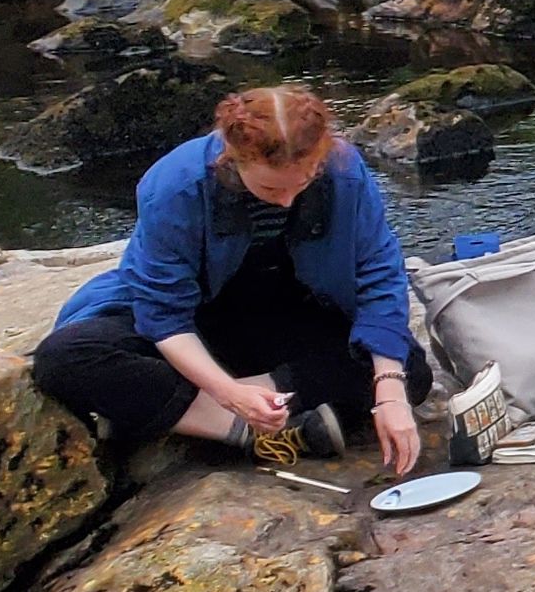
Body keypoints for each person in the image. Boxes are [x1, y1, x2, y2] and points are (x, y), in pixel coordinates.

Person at [32, 85, 428, 475]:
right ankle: (250, 429)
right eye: (271, 187)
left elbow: (379, 273)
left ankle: (171, 409)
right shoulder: (177, 183)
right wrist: (229, 395)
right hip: (197, 322)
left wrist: (390, 390)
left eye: (303, 182)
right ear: (234, 157)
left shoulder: (344, 171)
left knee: (407, 367)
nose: (288, 200)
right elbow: (163, 315)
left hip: (287, 317)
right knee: (66, 359)